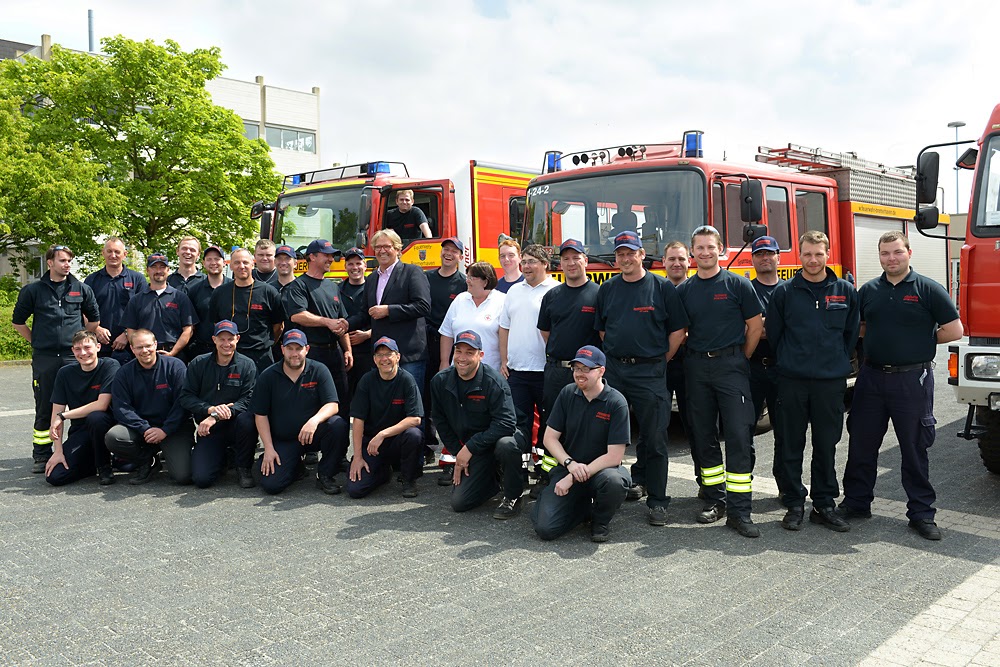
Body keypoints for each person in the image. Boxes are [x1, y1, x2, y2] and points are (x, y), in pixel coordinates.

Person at [841, 230, 963, 540]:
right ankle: (856, 503)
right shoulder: (868, 291)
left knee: (913, 447)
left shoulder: (929, 289)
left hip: (913, 380)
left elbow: (954, 329)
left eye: (897, 252)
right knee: (861, 444)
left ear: (909, 252)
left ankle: (921, 513)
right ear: (879, 257)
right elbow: (861, 327)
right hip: (871, 378)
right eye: (885, 253)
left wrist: (918, 341)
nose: (891, 258)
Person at [767, 231, 859, 532]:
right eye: (807, 254)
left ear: (828, 254)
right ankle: (794, 503)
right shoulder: (785, 292)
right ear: (800, 256)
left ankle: (824, 504)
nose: (813, 260)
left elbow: (850, 335)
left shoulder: (845, 291)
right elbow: (776, 336)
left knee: (826, 444)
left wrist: (834, 361)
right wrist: (792, 362)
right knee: (791, 443)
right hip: (792, 381)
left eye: (818, 254)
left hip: (829, 383)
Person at [594, 230, 687, 527]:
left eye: (630, 253)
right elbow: (603, 330)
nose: (625, 258)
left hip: (650, 372)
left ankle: (658, 501)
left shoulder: (661, 288)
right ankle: (609, 491)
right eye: (620, 254)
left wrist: (662, 359)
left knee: (656, 437)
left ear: (642, 254)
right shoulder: (608, 289)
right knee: (608, 435)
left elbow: (678, 331)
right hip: (616, 371)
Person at [676, 226, 763, 538]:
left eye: (710, 247)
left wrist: (739, 358)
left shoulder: (738, 285)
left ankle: (740, 511)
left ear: (720, 250)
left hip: (731, 366)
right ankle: (716, 500)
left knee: (740, 436)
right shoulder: (684, 291)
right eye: (699, 248)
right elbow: (679, 331)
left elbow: (754, 327)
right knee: (703, 436)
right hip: (697, 367)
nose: (704, 252)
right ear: (692, 252)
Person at [12, 244, 101, 472]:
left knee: (81, 405)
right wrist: (37, 342)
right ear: (50, 262)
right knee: (44, 406)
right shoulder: (33, 291)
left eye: (69, 260)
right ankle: (41, 455)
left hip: (74, 359)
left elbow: (93, 321)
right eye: (62, 260)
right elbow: (18, 322)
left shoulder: (81, 289)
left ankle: (84, 450)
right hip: (46, 358)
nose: (67, 264)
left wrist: (81, 344)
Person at [532, 346, 631, 543]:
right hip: (569, 468)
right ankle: (582, 507)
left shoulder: (616, 403)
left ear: (601, 371)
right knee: (545, 529)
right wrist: (569, 464)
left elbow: (614, 456)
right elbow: (549, 438)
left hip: (602, 471)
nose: (579, 374)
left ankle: (600, 520)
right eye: (576, 368)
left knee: (614, 482)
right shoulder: (568, 393)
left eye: (586, 369)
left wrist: (574, 477)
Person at [430, 330, 523, 518]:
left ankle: (513, 494)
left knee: (506, 446)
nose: (462, 358)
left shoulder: (493, 381)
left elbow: (506, 423)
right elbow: (440, 421)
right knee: (460, 503)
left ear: (480, 355)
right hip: (478, 446)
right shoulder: (440, 382)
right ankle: (493, 478)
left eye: (469, 352)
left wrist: (469, 448)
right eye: (458, 351)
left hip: (507, 434)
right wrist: (459, 452)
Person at [536, 239, 601, 497]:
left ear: (585, 260)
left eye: (576, 257)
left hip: (587, 374)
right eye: (566, 259)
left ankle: (590, 475)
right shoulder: (552, 295)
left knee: (589, 424)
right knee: (552, 423)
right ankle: (549, 474)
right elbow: (545, 332)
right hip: (556, 371)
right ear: (560, 263)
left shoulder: (598, 294)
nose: (571, 263)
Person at [254, 329, 351, 495]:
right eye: (290, 348)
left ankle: (325, 474)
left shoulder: (319, 370)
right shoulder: (268, 375)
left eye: (298, 348)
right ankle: (296, 468)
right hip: (285, 440)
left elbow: (332, 405)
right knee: (272, 485)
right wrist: (268, 449)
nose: (294, 354)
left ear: (306, 349)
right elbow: (260, 415)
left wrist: (314, 421)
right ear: (282, 349)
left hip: (313, 434)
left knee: (337, 425)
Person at [436, 261, 506, 482]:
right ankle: (454, 460)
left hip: (491, 371)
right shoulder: (460, 300)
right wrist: (444, 362)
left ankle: (487, 464)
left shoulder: (502, 301)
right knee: (458, 417)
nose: (467, 280)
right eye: (467, 275)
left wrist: (505, 362)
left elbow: (506, 334)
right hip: (459, 371)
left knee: (485, 420)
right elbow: (447, 333)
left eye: (472, 277)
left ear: (485, 280)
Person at [498, 243, 559, 491]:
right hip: (517, 372)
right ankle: (520, 472)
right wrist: (504, 360)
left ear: (545, 264)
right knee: (518, 426)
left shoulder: (556, 290)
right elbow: (504, 328)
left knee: (549, 425)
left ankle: (546, 473)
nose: (526, 266)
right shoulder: (513, 291)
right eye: (524, 261)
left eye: (532, 261)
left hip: (546, 371)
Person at [346, 229, 431, 392]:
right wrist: (345, 323)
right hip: (381, 356)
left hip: (408, 355)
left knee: (412, 408)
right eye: (377, 247)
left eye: (387, 246)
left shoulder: (412, 272)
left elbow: (423, 306)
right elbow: (366, 313)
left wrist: (389, 310)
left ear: (398, 249)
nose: (381, 250)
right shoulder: (372, 279)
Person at [105, 329, 193, 485]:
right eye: (139, 347)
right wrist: (144, 428)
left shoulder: (175, 367)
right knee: (115, 437)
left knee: (182, 476)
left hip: (173, 427)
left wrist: (165, 430)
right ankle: (148, 460)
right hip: (142, 429)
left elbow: (183, 403)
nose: (144, 351)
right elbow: (122, 408)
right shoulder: (124, 373)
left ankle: (170, 450)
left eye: (148, 346)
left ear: (155, 344)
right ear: (132, 349)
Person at [179, 320, 258, 489]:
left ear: (237, 338)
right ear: (214, 339)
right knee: (202, 479)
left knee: (248, 421)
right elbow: (186, 397)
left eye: (230, 339)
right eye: (221, 339)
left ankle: (243, 467)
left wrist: (216, 416)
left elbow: (248, 400)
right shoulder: (198, 364)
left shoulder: (247, 365)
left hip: (236, 425)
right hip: (209, 429)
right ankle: (223, 457)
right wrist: (209, 409)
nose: (226, 344)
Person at [281, 239, 353, 416]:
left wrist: (347, 350)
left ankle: (340, 443)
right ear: (312, 257)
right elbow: (297, 315)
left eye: (332, 255)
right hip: (312, 353)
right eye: (326, 255)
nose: (331, 259)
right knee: (311, 403)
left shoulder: (332, 286)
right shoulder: (299, 285)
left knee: (341, 401)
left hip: (335, 354)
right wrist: (327, 322)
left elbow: (341, 320)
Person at [346, 336, 424, 499]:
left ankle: (409, 479)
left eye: (389, 354)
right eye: (380, 355)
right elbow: (358, 419)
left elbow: (415, 419)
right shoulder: (367, 380)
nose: (384, 359)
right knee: (355, 490)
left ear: (398, 357)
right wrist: (358, 457)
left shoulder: (406, 380)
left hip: (397, 441)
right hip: (372, 444)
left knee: (414, 434)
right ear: (374, 360)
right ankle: (381, 473)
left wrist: (383, 434)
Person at [44, 330, 119, 486]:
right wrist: (58, 451)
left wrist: (64, 415)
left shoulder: (110, 366)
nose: (83, 353)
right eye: (77, 349)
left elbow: (101, 404)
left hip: (107, 428)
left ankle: (104, 466)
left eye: (87, 347)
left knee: (96, 417)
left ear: (98, 347)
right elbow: (55, 414)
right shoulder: (65, 373)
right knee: (55, 477)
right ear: (72, 351)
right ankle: (89, 465)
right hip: (81, 431)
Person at [747, 235, 788, 497]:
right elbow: (745, 330)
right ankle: (742, 486)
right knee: (743, 431)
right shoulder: (745, 290)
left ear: (778, 257)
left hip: (784, 370)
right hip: (751, 369)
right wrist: (765, 327)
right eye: (759, 254)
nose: (765, 258)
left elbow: (794, 329)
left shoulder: (790, 290)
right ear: (752, 259)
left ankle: (786, 487)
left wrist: (763, 326)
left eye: (769, 253)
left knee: (785, 432)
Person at [424, 237, 468, 458]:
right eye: (445, 250)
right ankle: (427, 443)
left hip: (452, 344)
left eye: (454, 251)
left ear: (461, 257)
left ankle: (452, 446)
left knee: (452, 396)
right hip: (426, 341)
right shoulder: (426, 278)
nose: (448, 254)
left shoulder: (463, 283)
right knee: (426, 392)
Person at [209, 248, 284, 373]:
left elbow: (279, 326)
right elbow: (216, 323)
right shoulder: (219, 293)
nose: (241, 266)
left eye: (245, 262)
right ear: (230, 265)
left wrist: (264, 342)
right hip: (230, 355)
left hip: (261, 357)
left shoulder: (269, 292)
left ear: (252, 264)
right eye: (237, 263)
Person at [121, 253, 197, 358]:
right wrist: (140, 351)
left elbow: (188, 330)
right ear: (147, 270)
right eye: (154, 267)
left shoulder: (180, 298)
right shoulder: (136, 300)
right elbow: (131, 331)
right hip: (144, 355)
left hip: (174, 355)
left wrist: (173, 352)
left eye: (162, 267)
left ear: (168, 270)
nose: (158, 271)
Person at [85, 237, 147, 363]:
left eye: (117, 252)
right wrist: (96, 329)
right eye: (109, 251)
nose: (113, 255)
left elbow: (144, 311)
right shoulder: (92, 280)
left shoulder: (138, 279)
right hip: (98, 346)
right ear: (103, 253)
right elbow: (83, 310)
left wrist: (126, 334)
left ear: (125, 254)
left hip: (129, 348)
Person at [661, 241, 691, 437]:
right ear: (663, 262)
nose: (676, 263)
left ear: (689, 261)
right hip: (663, 365)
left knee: (695, 423)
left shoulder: (697, 289)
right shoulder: (656, 290)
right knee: (657, 422)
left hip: (691, 365)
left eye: (681, 259)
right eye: (672, 259)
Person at [185, 245, 231, 359]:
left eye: (217, 259)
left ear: (224, 262)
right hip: (201, 350)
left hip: (229, 348)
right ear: (203, 263)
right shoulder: (194, 290)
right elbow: (190, 324)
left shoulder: (234, 288)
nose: (213, 262)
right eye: (209, 259)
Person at [341, 247, 373, 399]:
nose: (355, 268)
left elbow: (385, 320)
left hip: (369, 351)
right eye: (350, 264)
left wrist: (367, 334)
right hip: (344, 353)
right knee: (345, 395)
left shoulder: (375, 289)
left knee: (368, 395)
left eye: (358, 263)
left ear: (365, 265)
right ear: (345, 266)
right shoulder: (336, 290)